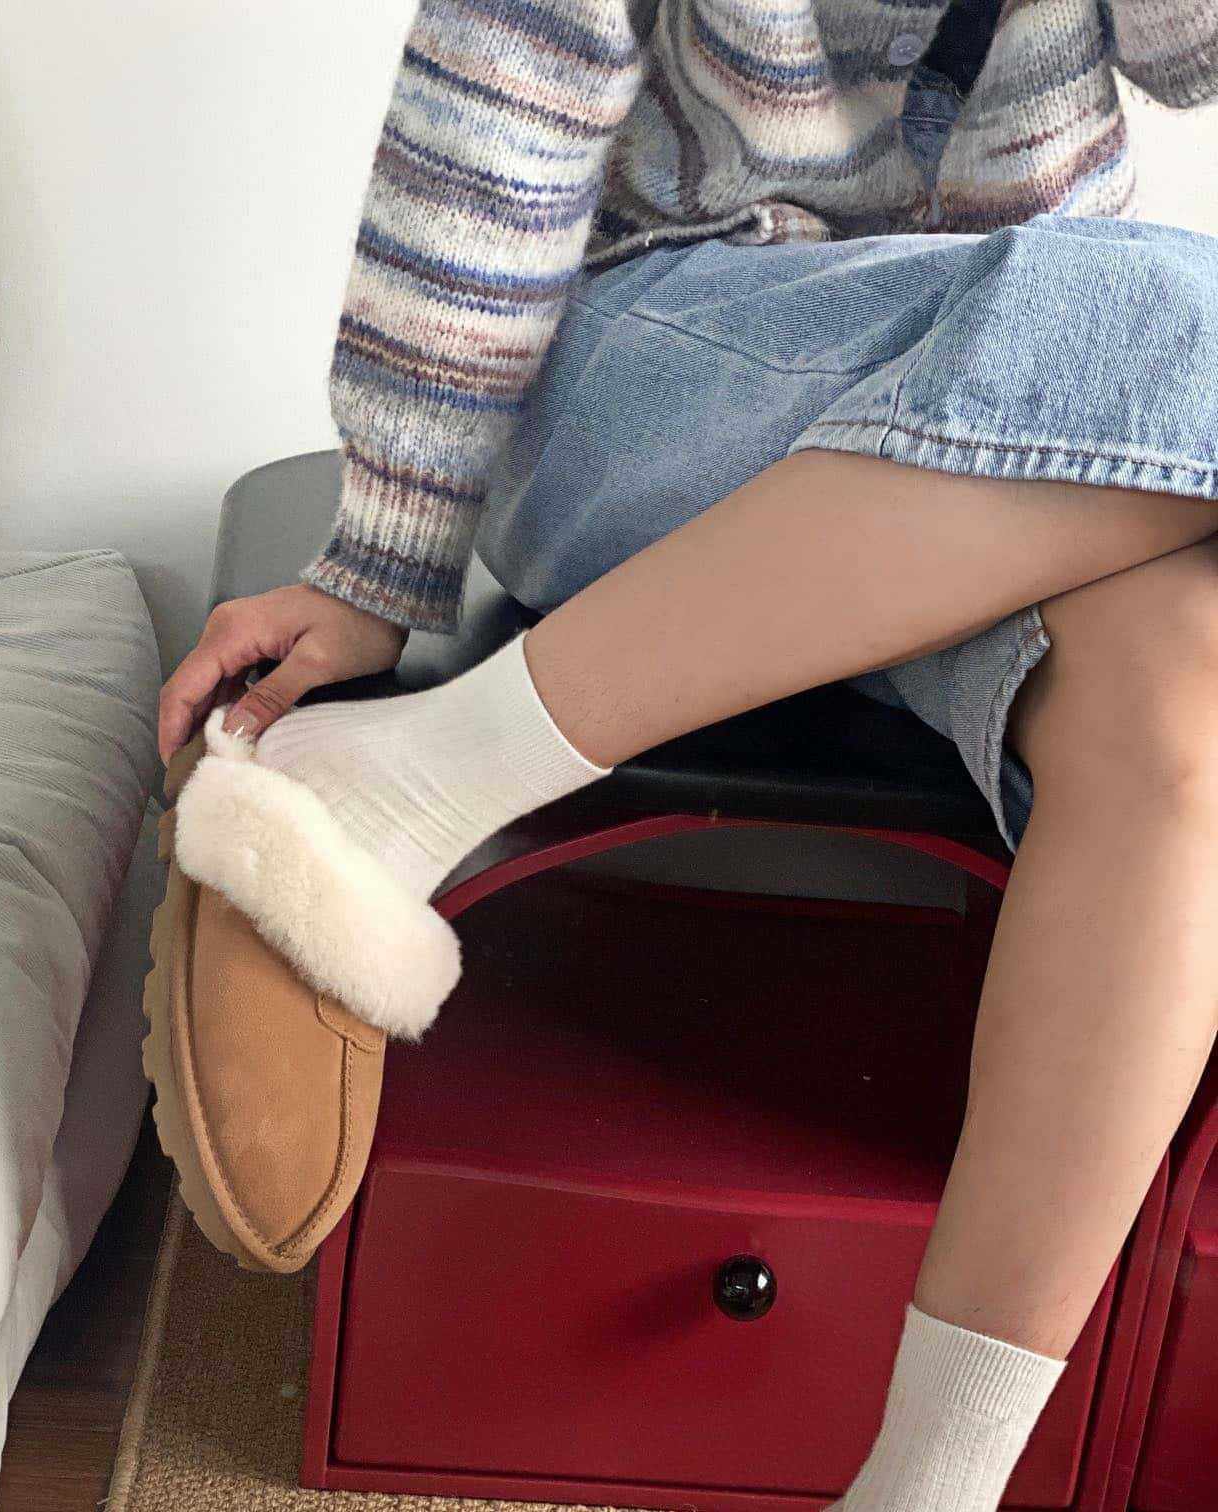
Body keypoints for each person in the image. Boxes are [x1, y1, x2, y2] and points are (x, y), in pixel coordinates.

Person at [149, 3, 1218, 1507]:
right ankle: (426, 771)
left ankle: (923, 1493)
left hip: (1042, 425)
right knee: (1176, 314)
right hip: (660, 368)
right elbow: (490, 133)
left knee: (1188, 693)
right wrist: (379, 563)